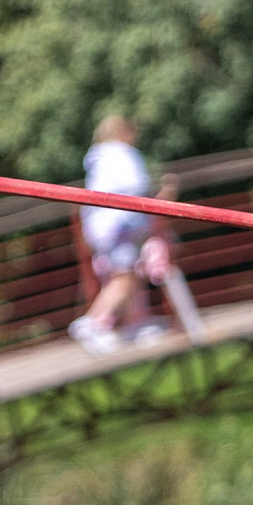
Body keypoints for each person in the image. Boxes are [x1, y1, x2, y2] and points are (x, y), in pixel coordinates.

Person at [70, 116, 168, 354]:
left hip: (104, 227)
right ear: (124, 132)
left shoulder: (99, 159)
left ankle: (133, 325)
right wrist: (162, 192)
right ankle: (90, 323)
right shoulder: (122, 154)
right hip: (121, 225)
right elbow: (137, 186)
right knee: (123, 278)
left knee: (127, 275)